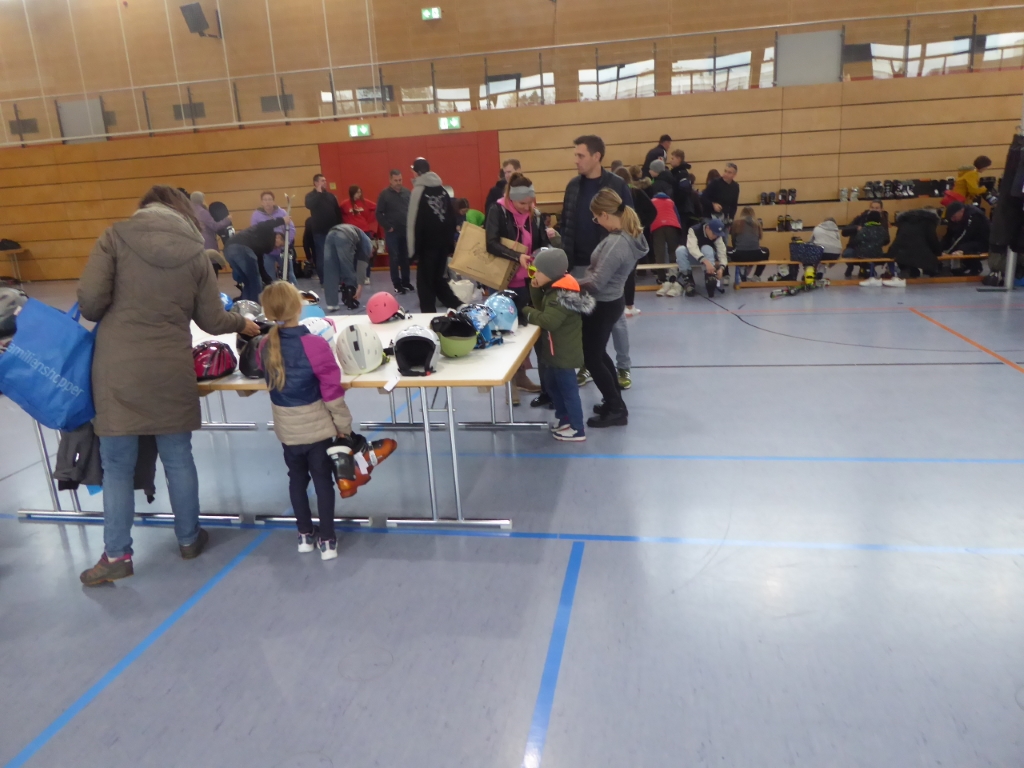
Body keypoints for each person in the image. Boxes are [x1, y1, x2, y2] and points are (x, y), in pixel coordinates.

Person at [76, 185, 260, 586]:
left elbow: (90, 304)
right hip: (171, 368)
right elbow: (213, 319)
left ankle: (116, 555)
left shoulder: (114, 237)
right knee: (178, 457)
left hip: (118, 370)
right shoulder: (195, 252)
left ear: (144, 209)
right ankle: (189, 539)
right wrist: (242, 323)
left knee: (117, 467)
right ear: (181, 213)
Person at [259, 281, 353, 560]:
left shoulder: (264, 345)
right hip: (317, 431)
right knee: (323, 481)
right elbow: (332, 394)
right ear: (300, 308)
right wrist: (344, 427)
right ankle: (328, 540)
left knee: (296, 479)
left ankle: (304, 535)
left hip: (287, 431)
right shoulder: (315, 345)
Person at [558, 136, 634, 392]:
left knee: (615, 320)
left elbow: (629, 222)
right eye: (575, 155)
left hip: (608, 264)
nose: (576, 160)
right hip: (578, 262)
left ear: (596, 156)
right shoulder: (573, 186)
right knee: (584, 320)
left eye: (580, 155)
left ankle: (623, 367)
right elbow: (566, 223)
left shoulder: (617, 184)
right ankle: (588, 364)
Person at [579, 189, 648, 428]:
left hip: (603, 304)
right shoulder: (624, 237)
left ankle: (617, 409)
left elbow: (597, 282)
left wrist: (566, 283)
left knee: (592, 358)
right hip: (611, 301)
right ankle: (613, 400)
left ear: (605, 214)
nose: (596, 222)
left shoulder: (617, 242)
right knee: (598, 354)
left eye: (596, 217)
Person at [485, 172, 549, 402]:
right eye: (522, 203)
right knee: (507, 332)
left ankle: (523, 376)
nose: (527, 207)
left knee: (529, 331)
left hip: (529, 282)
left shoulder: (535, 215)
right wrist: (516, 256)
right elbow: (491, 243)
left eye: (530, 203)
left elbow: (542, 244)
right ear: (511, 199)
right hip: (504, 282)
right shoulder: (498, 211)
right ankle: (511, 382)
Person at [523, 248, 595, 442]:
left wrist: (526, 311)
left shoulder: (561, 296)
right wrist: (535, 286)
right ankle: (565, 420)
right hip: (554, 352)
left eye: (537, 271)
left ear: (550, 272)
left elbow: (548, 321)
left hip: (563, 354)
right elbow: (542, 307)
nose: (534, 274)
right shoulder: (553, 289)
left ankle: (577, 428)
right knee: (553, 387)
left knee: (568, 391)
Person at [407, 157, 461, 313]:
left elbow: (412, 222)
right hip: (442, 246)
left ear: (417, 172)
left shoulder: (418, 191)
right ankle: (459, 306)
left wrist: (412, 252)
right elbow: (451, 217)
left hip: (427, 247)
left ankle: (428, 315)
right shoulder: (442, 190)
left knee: (424, 285)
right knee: (438, 280)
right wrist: (450, 244)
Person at [615, 166, 655, 316]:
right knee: (630, 272)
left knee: (618, 272)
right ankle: (629, 305)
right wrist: (640, 226)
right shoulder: (636, 192)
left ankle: (620, 305)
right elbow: (653, 211)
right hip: (633, 235)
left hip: (617, 235)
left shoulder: (614, 195)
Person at [225, 213, 291, 303]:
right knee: (255, 281)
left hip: (228, 250)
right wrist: (282, 220)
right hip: (242, 248)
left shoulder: (259, 246)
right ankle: (256, 305)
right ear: (278, 237)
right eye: (280, 245)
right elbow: (264, 224)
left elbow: (260, 266)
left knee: (248, 281)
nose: (278, 248)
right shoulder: (268, 232)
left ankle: (247, 305)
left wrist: (270, 282)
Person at [376, 170, 414, 295]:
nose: (398, 183)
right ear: (390, 180)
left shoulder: (407, 193)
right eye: (396, 180)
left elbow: (412, 209)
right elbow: (379, 213)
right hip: (392, 232)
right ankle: (397, 284)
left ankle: (406, 282)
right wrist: (388, 227)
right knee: (394, 257)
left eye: (400, 180)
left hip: (405, 230)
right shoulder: (384, 195)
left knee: (405, 257)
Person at [323, 222, 373, 311]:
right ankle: (351, 300)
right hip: (345, 235)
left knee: (330, 269)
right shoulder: (368, 244)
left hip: (331, 234)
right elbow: (361, 268)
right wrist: (359, 288)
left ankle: (332, 304)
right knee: (347, 267)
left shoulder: (362, 237)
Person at [250, 191, 296, 283]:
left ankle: (294, 291)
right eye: (265, 200)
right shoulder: (256, 215)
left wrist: (285, 242)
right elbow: (254, 232)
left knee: (290, 275)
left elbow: (291, 228)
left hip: (282, 250)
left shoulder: (282, 212)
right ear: (262, 202)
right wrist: (269, 243)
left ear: (273, 201)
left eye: (270, 199)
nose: (267, 202)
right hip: (267, 251)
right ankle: (273, 292)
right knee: (270, 277)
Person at [304, 174, 342, 284]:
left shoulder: (330, 196)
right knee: (322, 256)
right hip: (320, 232)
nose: (325, 182)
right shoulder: (310, 196)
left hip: (333, 230)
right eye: (322, 181)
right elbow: (309, 205)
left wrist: (340, 227)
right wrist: (318, 193)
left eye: (325, 180)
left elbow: (337, 212)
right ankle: (324, 281)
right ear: (316, 183)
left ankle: (337, 279)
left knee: (334, 256)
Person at [887, 209, 942, 281]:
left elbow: (898, 239)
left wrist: (890, 253)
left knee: (907, 276)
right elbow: (932, 240)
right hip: (923, 257)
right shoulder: (929, 222)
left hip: (903, 257)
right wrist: (938, 252)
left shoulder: (904, 222)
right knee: (928, 275)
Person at [679, 218, 728, 297]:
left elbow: (722, 252)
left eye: (717, 234)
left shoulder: (717, 235)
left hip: (709, 259)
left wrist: (722, 268)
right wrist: (705, 261)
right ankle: (687, 279)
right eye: (714, 233)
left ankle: (710, 277)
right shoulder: (694, 230)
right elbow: (692, 248)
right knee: (680, 250)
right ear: (708, 228)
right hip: (694, 257)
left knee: (707, 248)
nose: (715, 236)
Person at [341, 185, 378, 285]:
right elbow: (339, 214)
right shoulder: (345, 204)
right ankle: (354, 276)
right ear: (352, 193)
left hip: (364, 231)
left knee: (366, 254)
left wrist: (370, 220)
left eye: (360, 192)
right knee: (353, 255)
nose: (359, 194)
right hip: (351, 232)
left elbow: (377, 208)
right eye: (357, 192)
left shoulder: (365, 202)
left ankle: (366, 276)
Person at [941, 201, 991, 276]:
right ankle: (965, 266)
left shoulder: (973, 216)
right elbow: (949, 235)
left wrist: (948, 253)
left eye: (954, 217)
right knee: (958, 246)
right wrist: (939, 249)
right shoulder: (957, 219)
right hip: (970, 241)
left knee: (962, 248)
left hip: (984, 242)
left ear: (961, 211)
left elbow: (965, 235)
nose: (952, 220)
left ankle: (975, 267)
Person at [650, 181, 683, 290]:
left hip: (657, 226)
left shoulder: (652, 201)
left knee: (659, 252)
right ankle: (673, 275)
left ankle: (661, 277)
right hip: (672, 225)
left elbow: (649, 215)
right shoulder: (670, 201)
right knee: (672, 251)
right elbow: (677, 216)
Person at [843, 200, 889, 278]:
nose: (874, 210)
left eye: (877, 208)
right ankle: (851, 266)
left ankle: (866, 268)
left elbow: (887, 240)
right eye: (872, 207)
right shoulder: (861, 217)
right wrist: (856, 228)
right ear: (869, 208)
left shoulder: (884, 221)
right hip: (855, 246)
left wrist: (875, 239)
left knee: (870, 253)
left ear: (881, 209)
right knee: (848, 253)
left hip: (874, 248)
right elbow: (844, 232)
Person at [728, 207, 769, 281]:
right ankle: (756, 275)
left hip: (739, 255)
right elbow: (759, 238)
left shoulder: (736, 223)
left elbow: (733, 239)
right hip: (756, 255)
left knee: (723, 250)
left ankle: (726, 276)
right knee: (766, 251)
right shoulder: (757, 223)